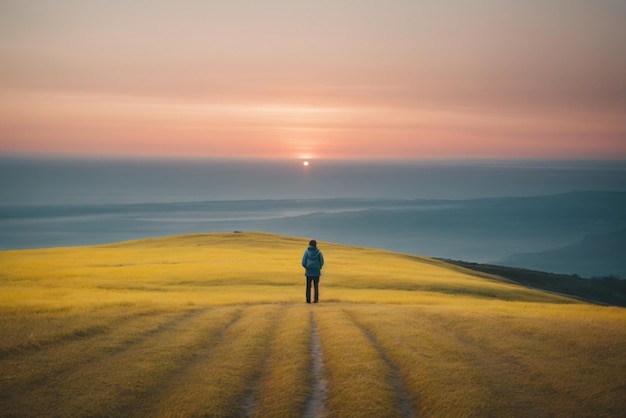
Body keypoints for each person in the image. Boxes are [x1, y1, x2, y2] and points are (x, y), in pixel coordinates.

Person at [302, 239, 324, 303]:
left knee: (308, 286)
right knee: (316, 286)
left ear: (309, 245)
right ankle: (316, 300)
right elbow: (322, 262)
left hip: (309, 272)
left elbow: (303, 262)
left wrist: (306, 267)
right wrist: (319, 267)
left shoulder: (306, 252)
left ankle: (308, 300)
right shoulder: (319, 252)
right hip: (316, 272)